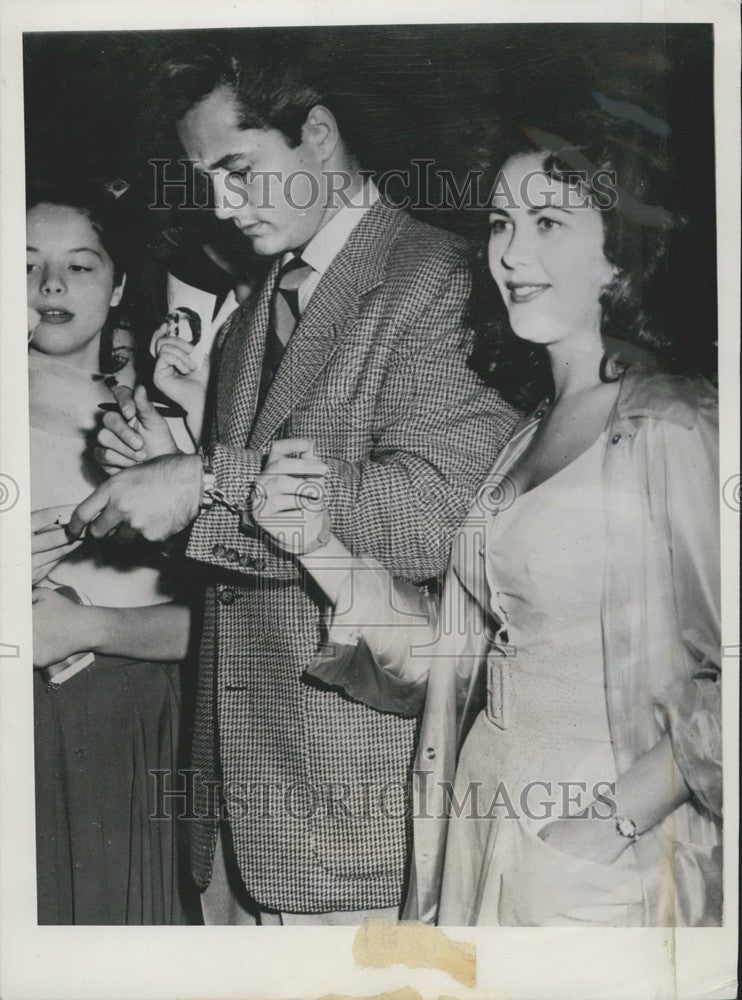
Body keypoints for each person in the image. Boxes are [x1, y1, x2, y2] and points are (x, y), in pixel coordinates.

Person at [71, 36, 518, 925]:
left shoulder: (433, 273)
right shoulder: (266, 289)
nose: (222, 204)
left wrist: (203, 481)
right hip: (239, 807)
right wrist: (165, 458)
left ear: (317, 132)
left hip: (355, 816)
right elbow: (259, 529)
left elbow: (435, 514)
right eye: (205, 180)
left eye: (239, 168)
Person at [250, 118, 722, 926]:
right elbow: (450, 656)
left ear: (626, 251)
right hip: (480, 808)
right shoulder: (525, 431)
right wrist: (318, 543)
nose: (509, 253)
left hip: (607, 846)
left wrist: (597, 834)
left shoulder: (673, 424)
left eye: (548, 222)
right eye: (501, 222)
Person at [28, 178, 193, 924]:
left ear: (119, 283)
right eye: (23, 262)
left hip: (130, 723)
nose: (50, 284)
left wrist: (89, 627)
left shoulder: (164, 434)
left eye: (80, 265)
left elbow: (216, 623)